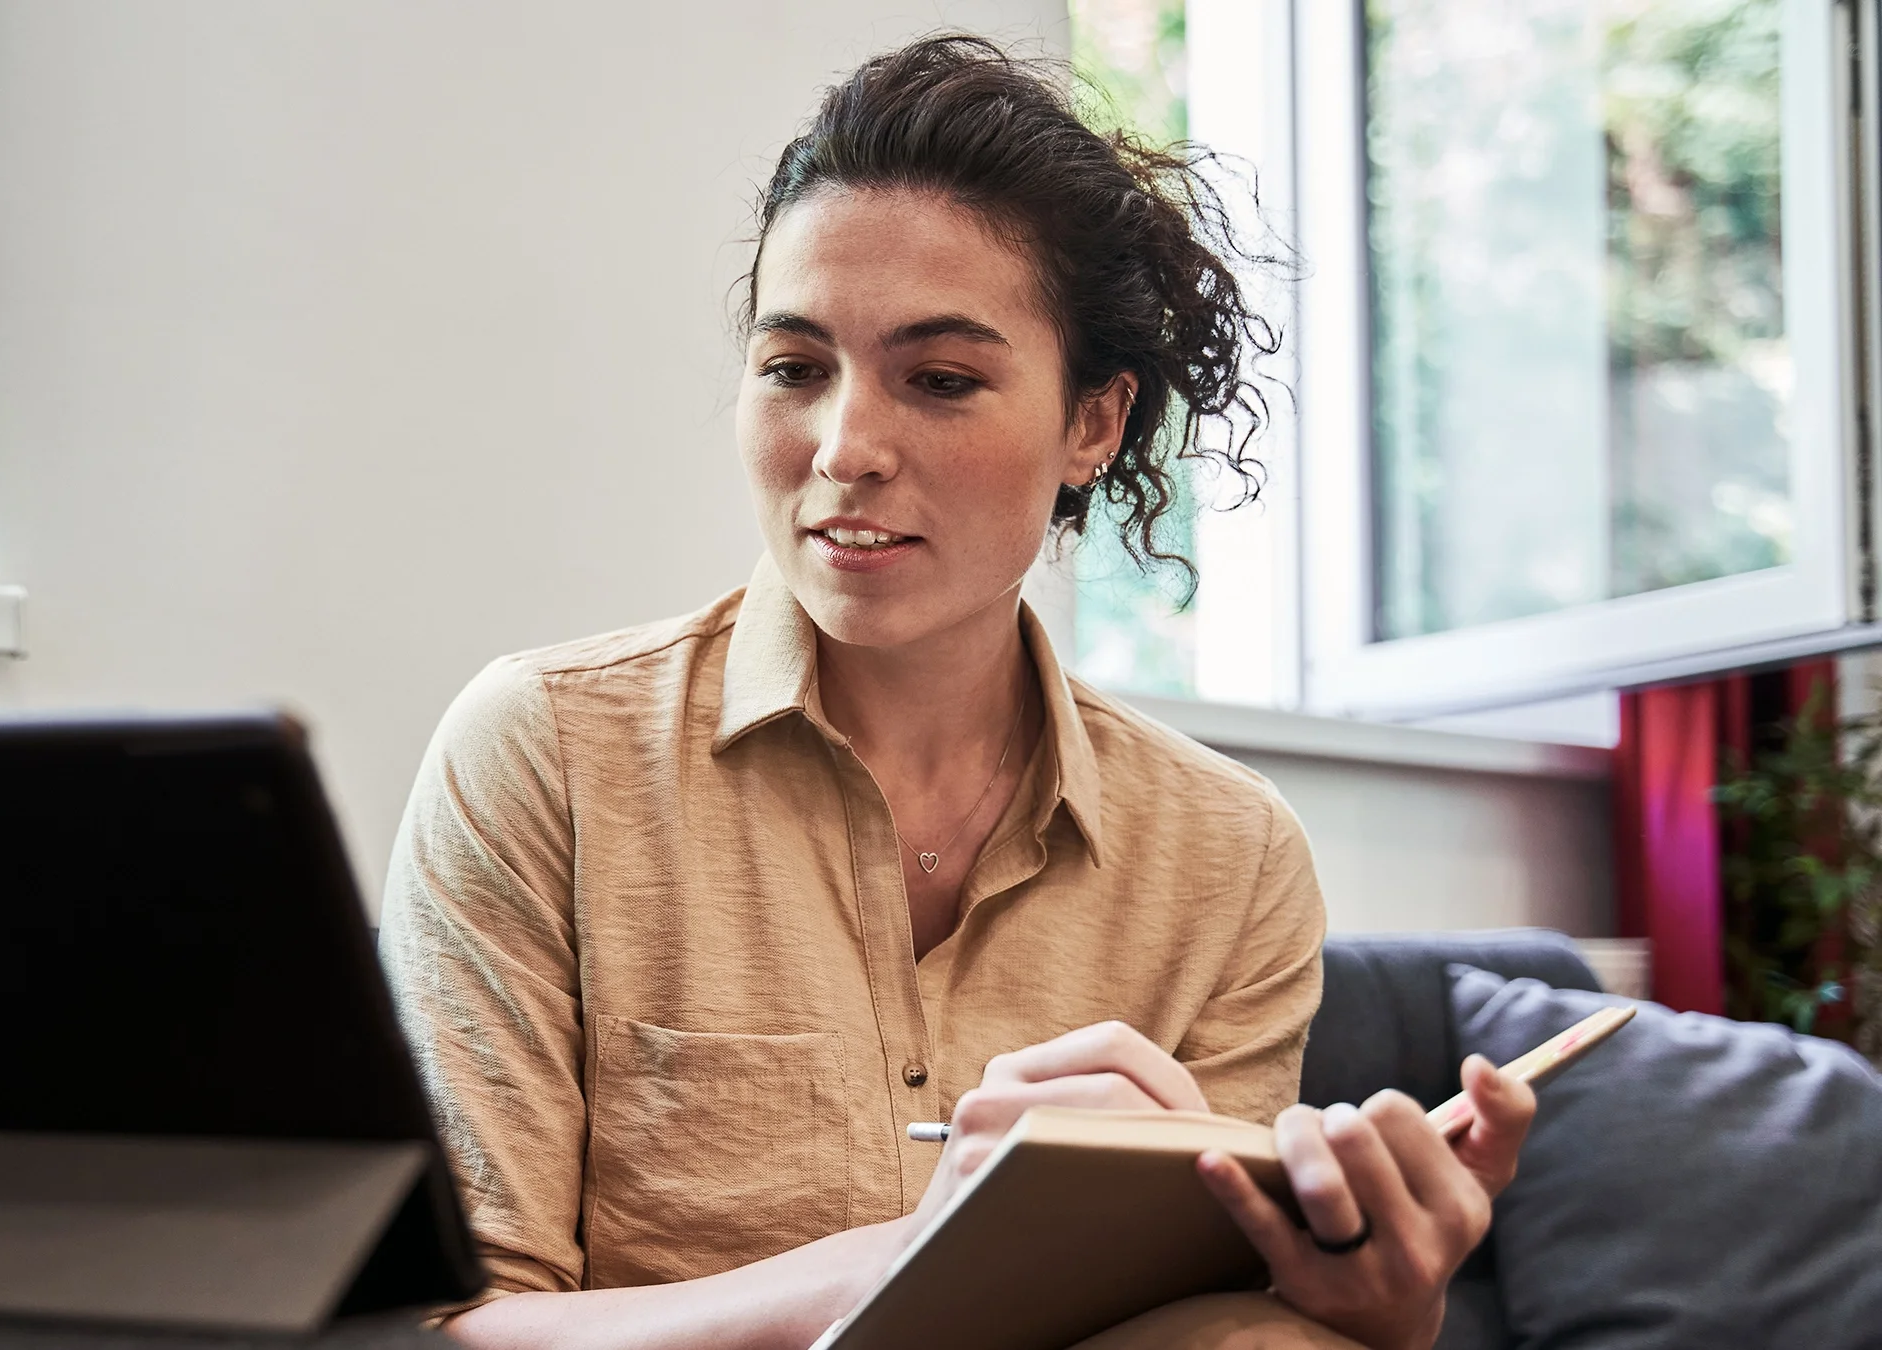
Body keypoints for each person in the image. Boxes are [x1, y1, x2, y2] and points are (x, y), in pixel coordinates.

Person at [379, 34, 1535, 1350]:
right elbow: (457, 1327)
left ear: (1093, 424)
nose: (846, 447)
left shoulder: (1228, 855)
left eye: (940, 379)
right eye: (794, 367)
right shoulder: (543, 751)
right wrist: (928, 1251)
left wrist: (1379, 1302)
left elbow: (1207, 1311)